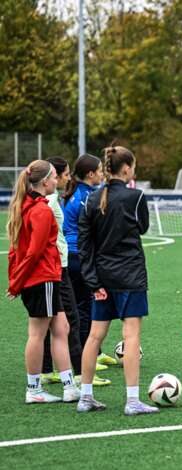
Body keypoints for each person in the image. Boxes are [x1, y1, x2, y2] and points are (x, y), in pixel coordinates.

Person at [76, 145, 158, 415]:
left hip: (101, 278)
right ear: (126, 169)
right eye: (133, 166)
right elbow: (142, 227)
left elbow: (85, 245)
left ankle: (85, 397)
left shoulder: (92, 199)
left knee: (94, 336)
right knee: (131, 336)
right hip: (130, 276)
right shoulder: (136, 196)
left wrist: (93, 282)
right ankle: (132, 401)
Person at [6, 159, 80, 404]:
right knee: (37, 334)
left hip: (46, 278)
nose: (58, 180)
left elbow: (17, 251)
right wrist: (16, 283)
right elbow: (33, 252)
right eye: (55, 177)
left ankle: (69, 387)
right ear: (45, 181)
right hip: (42, 279)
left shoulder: (30, 206)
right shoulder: (40, 210)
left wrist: (16, 279)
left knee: (62, 328)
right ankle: (34, 390)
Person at [63, 154, 113, 384]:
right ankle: (86, 358)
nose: (102, 173)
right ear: (91, 174)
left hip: (75, 255)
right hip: (78, 256)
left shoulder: (81, 192)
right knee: (84, 308)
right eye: (100, 170)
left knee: (86, 305)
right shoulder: (85, 197)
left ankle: (95, 353)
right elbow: (92, 228)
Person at [40, 157, 84, 387]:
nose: (67, 178)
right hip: (57, 267)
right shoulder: (48, 201)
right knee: (70, 320)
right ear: (52, 177)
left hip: (55, 266)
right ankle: (80, 375)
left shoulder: (49, 198)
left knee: (48, 321)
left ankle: (47, 371)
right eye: (64, 174)